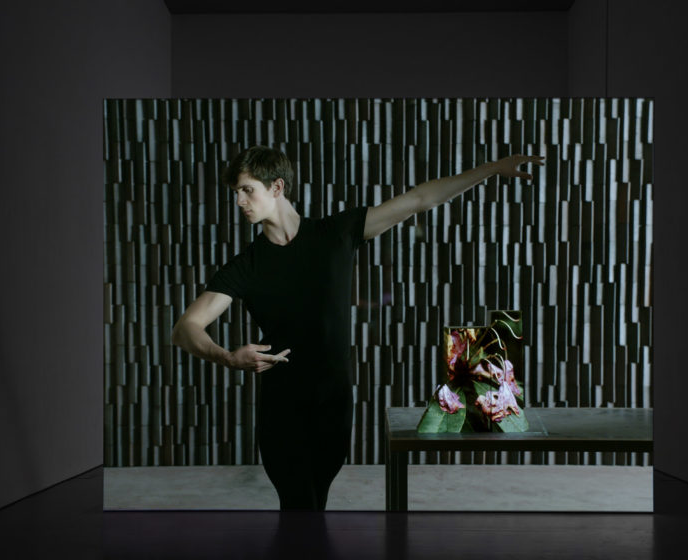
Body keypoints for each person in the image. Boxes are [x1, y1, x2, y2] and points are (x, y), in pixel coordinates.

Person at [171, 145, 544, 511]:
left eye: (246, 190)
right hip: (282, 410)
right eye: (236, 193)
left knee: (314, 507)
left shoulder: (335, 234)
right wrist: (227, 357)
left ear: (277, 187)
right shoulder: (246, 266)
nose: (239, 201)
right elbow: (186, 327)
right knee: (299, 506)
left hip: (333, 403)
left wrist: (492, 168)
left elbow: (419, 200)